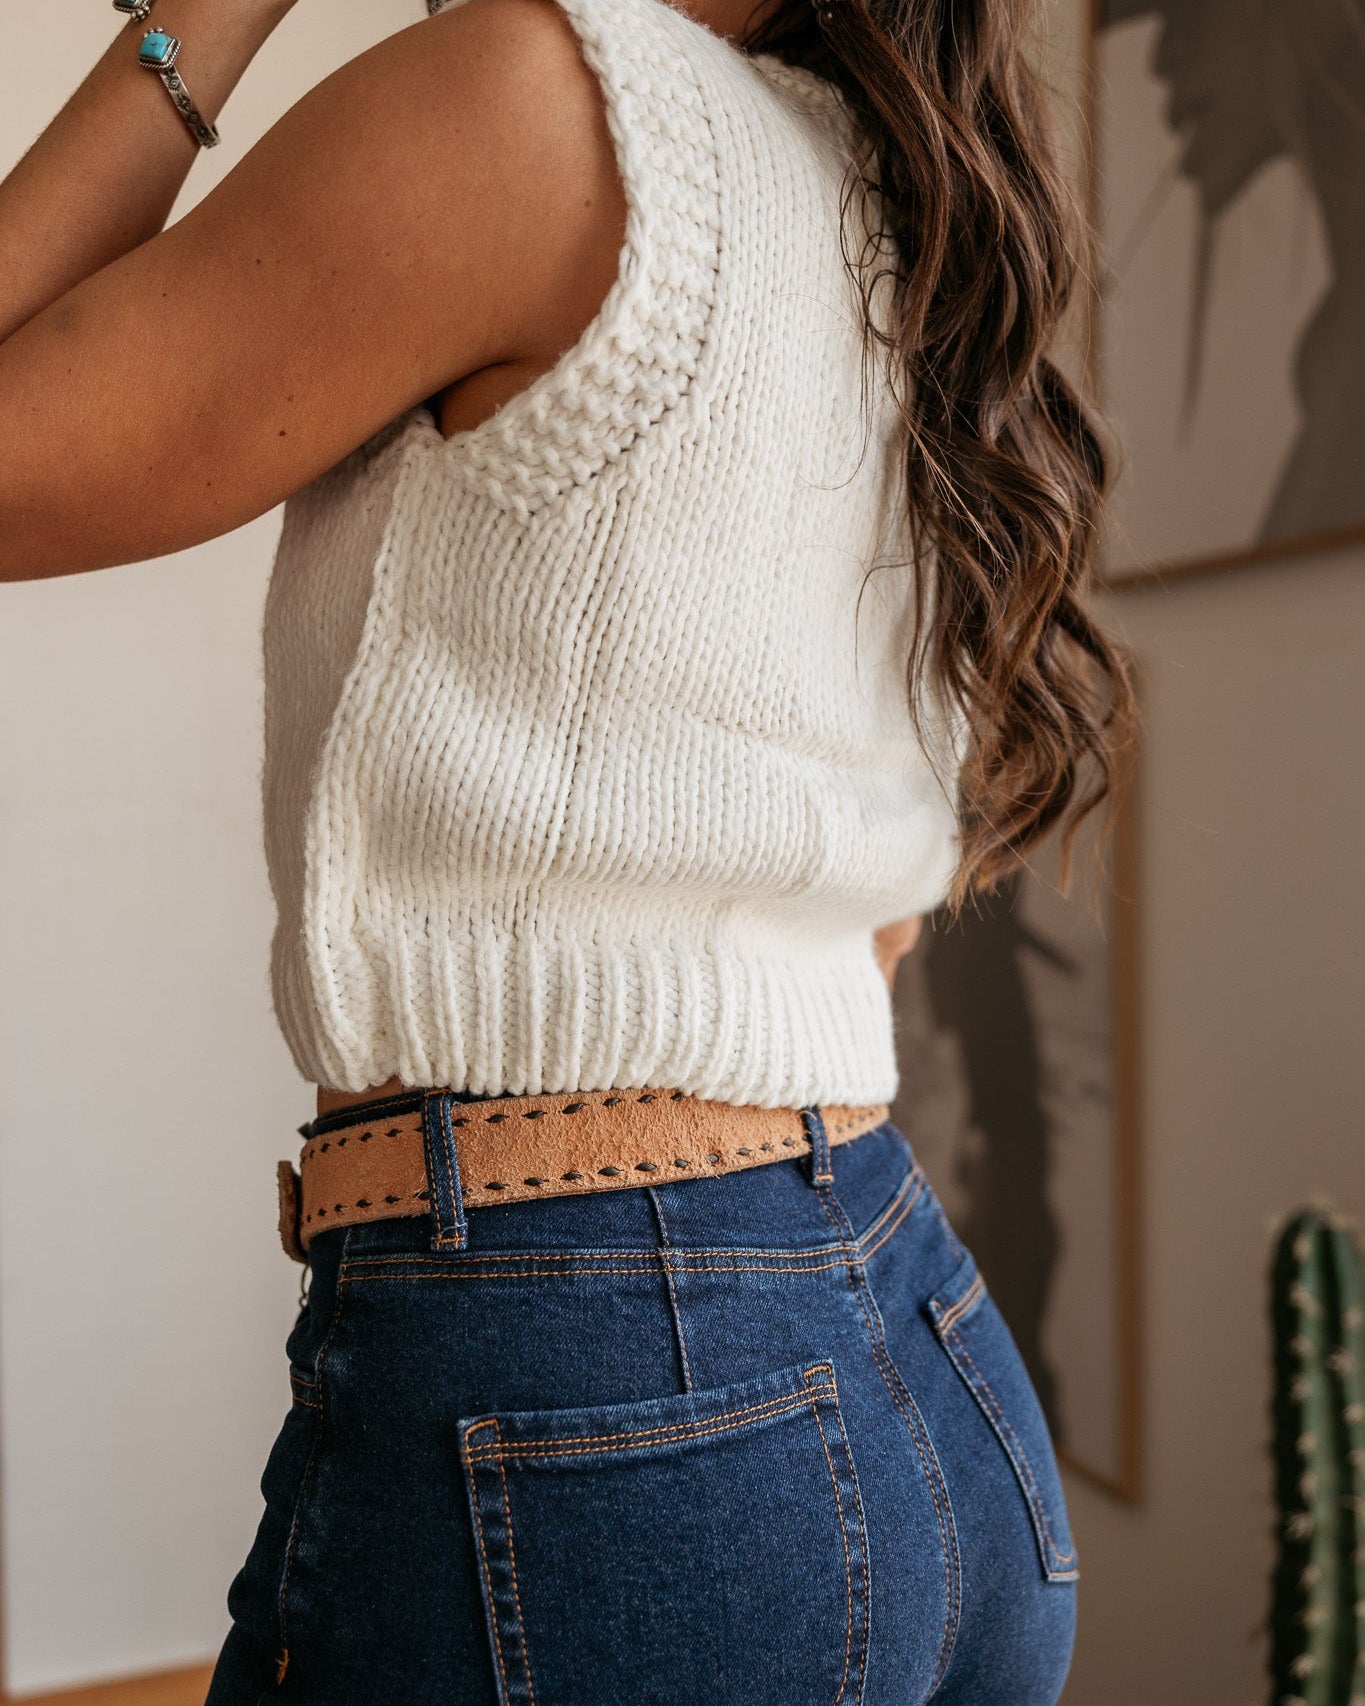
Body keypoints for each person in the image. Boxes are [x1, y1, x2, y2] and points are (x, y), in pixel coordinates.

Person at [0, 0, 1135, 1699]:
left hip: (612, 1421)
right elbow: (878, 907)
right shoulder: (910, 219)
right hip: (920, 1360)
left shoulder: (535, 102)